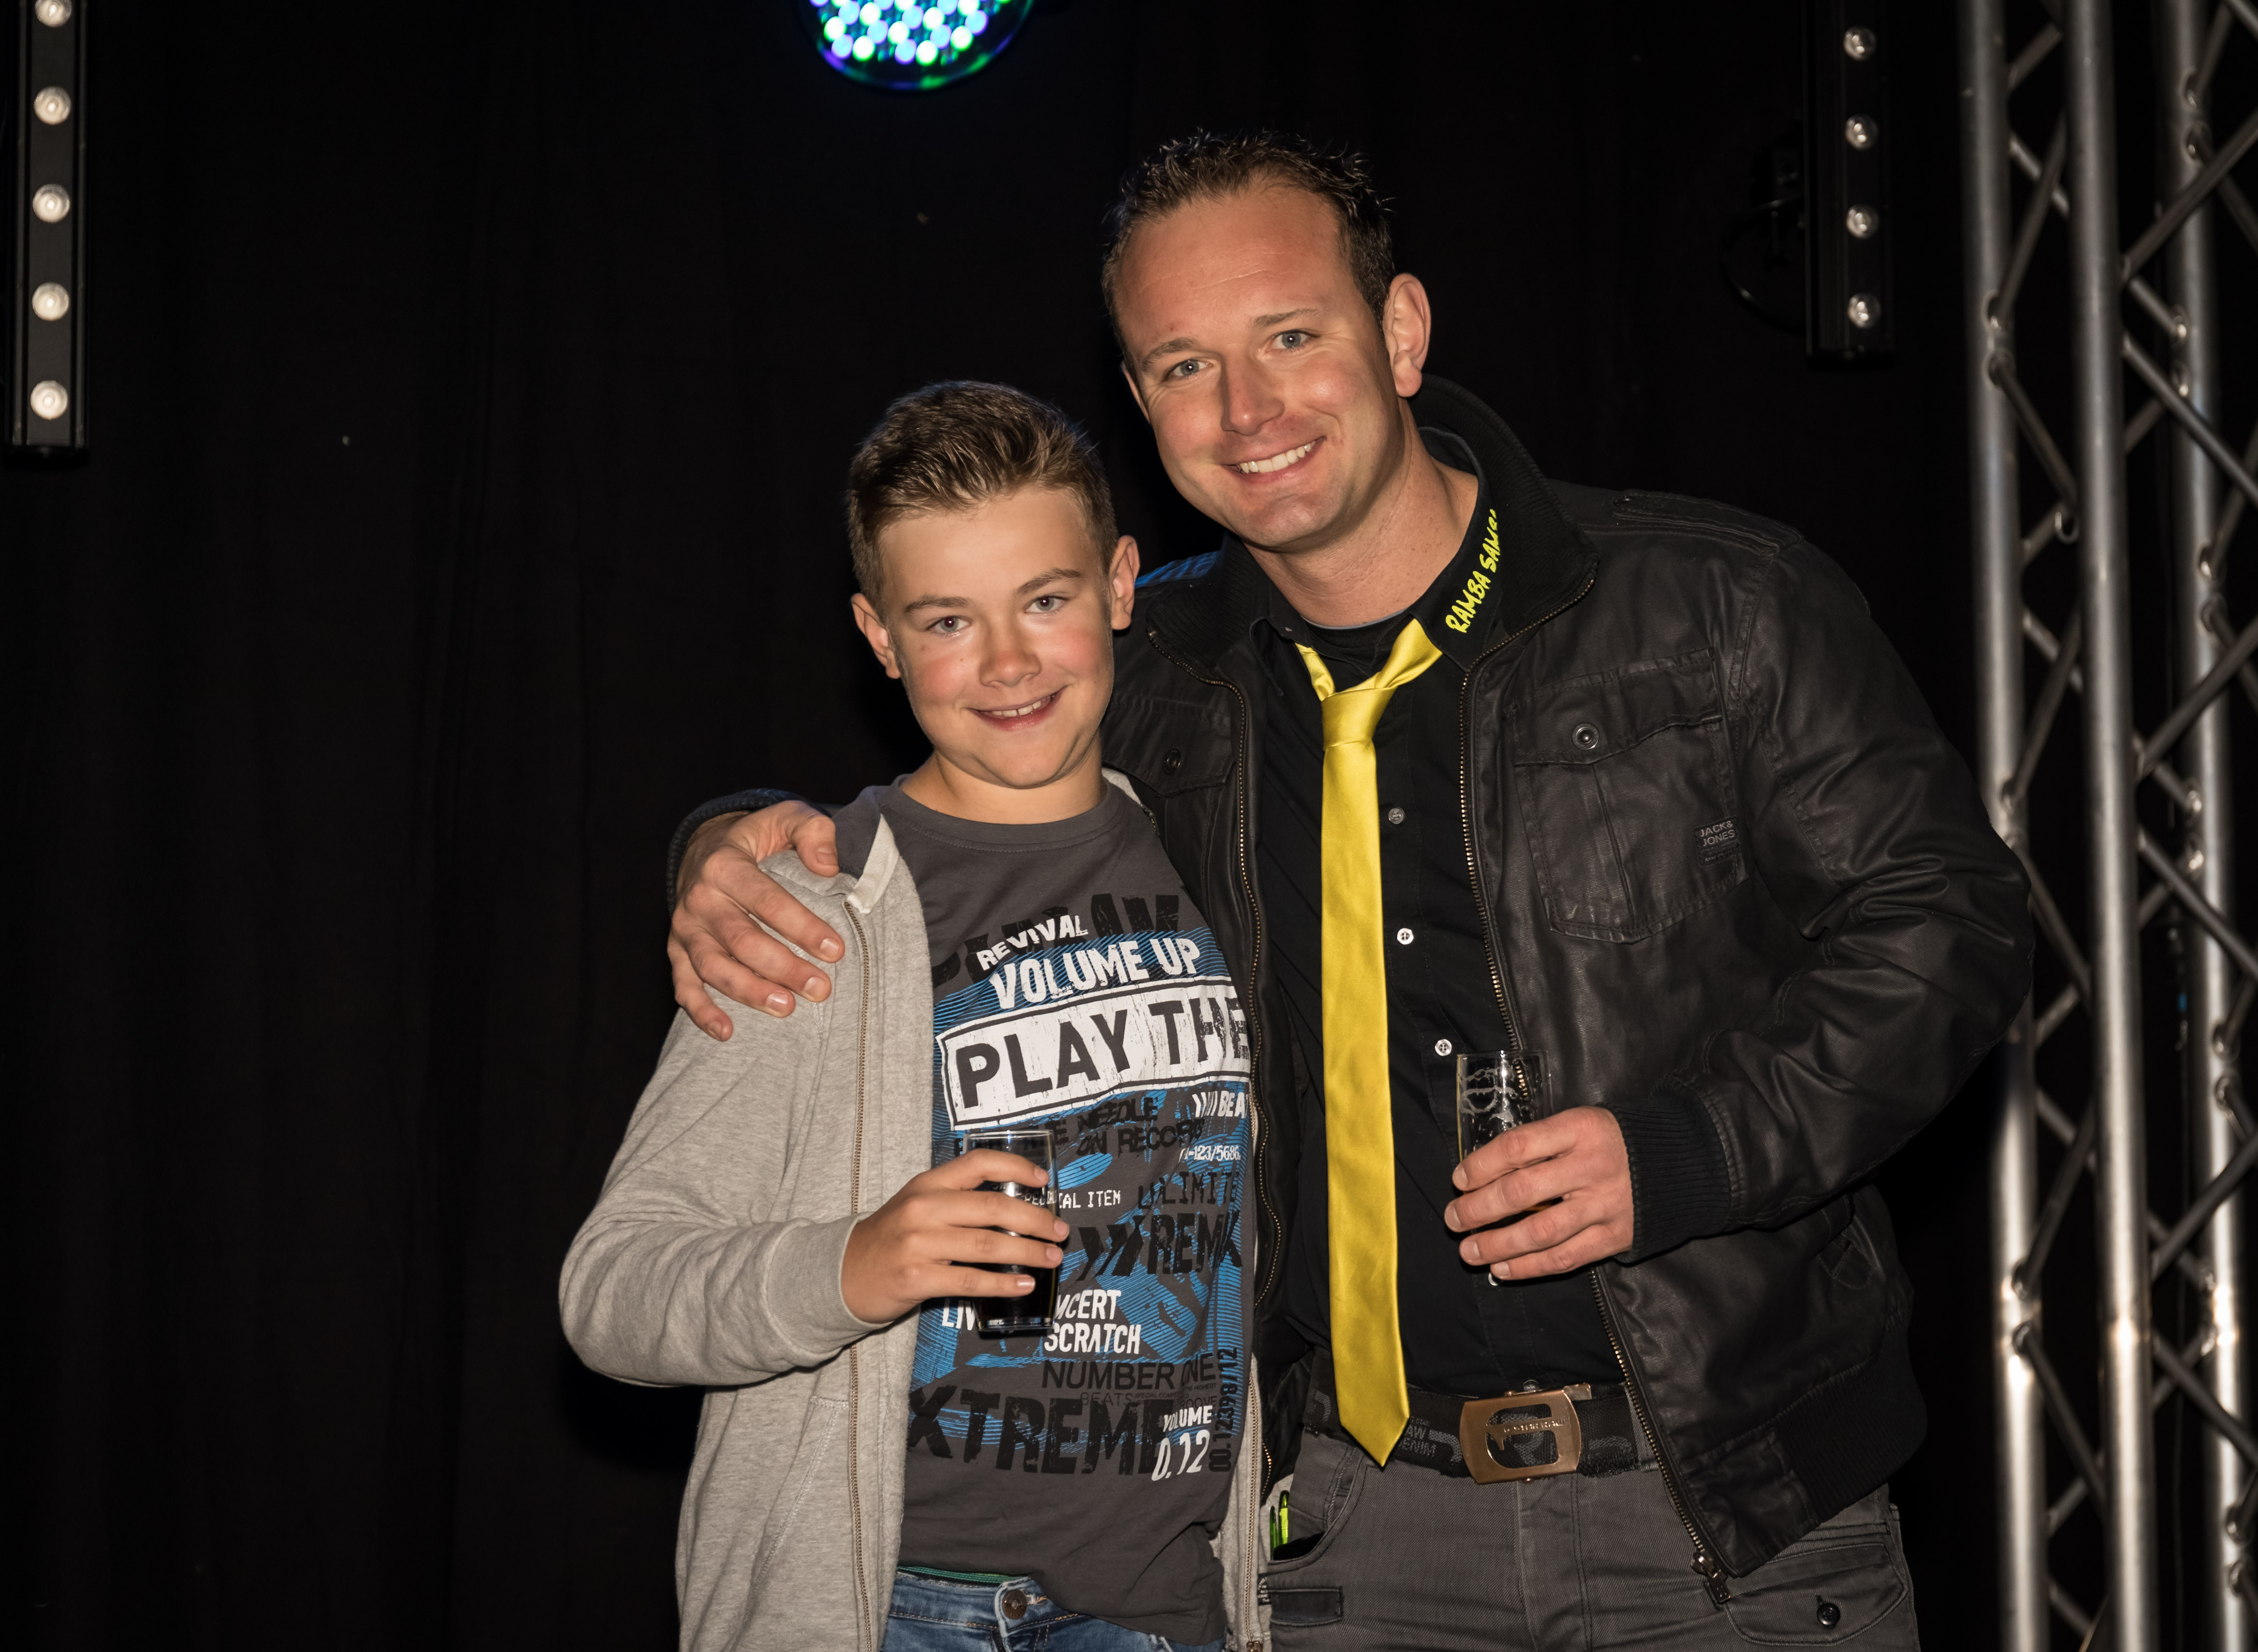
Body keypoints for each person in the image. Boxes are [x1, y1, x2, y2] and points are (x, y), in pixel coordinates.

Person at [666, 134, 2030, 1649]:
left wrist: (1695, 1150)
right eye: (1185, 366)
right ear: (1141, 402)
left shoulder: (1713, 603)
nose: (1246, 411)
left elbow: (1952, 924)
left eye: (1289, 337)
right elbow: (929, 793)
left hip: (1726, 1521)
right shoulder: (1139, 673)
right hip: (1349, 1537)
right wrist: (725, 842)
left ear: (1400, 330)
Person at [565, 383, 1267, 1652]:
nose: (1006, 663)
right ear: (878, 638)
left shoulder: (1218, 854)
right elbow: (612, 1290)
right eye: (947, 619)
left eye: (1044, 600)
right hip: (894, 1606)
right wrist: (854, 1264)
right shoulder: (814, 902)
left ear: (1120, 584)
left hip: (1164, 1607)